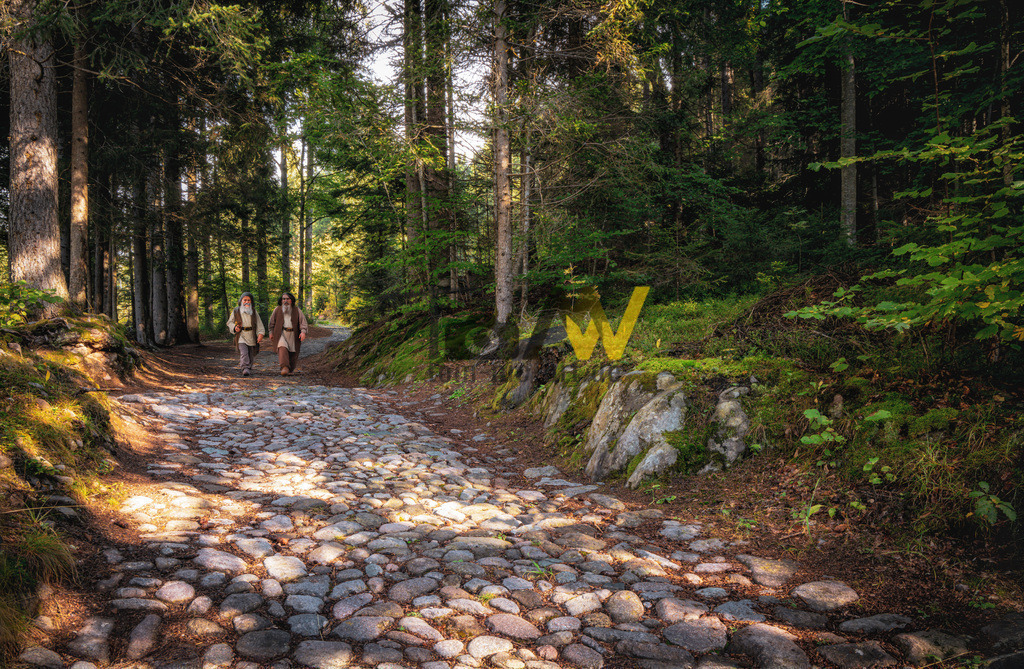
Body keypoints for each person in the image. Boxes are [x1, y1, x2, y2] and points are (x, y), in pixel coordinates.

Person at [268, 292, 308, 376]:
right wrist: (271, 332)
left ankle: (290, 368)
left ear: (291, 300)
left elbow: (303, 322)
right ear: (281, 300)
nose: (285, 301)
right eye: (284, 299)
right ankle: (284, 367)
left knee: (293, 353)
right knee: (282, 347)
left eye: (287, 299)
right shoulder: (277, 309)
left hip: (293, 334)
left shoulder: (297, 310)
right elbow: (271, 323)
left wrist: (303, 332)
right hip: (281, 333)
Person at [227, 292, 265, 377]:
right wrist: (234, 327)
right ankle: (245, 368)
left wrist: (260, 334)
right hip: (241, 335)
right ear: (241, 301)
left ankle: (249, 367)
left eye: (248, 300)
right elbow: (229, 322)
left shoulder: (254, 312)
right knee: (244, 352)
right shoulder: (236, 311)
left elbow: (259, 324)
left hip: (251, 335)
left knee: (251, 353)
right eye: (245, 300)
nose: (246, 302)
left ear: (251, 301)